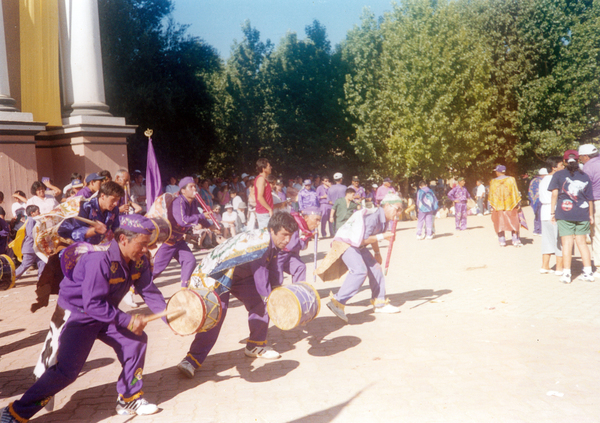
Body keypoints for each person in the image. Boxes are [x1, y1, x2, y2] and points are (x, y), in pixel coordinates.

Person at [0, 215, 167, 422]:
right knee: (66, 372)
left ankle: (129, 397)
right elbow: (93, 304)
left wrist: (171, 316)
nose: (146, 250)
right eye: (142, 245)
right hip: (78, 314)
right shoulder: (99, 259)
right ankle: (15, 412)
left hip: (105, 311)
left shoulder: (138, 260)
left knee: (136, 342)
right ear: (123, 239)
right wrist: (128, 320)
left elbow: (148, 290)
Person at [176, 212, 299, 378]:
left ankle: (255, 345)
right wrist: (271, 298)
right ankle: (191, 360)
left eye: (290, 236)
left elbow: (273, 268)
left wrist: (277, 292)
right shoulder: (260, 242)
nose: (287, 240)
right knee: (215, 316)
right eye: (284, 235)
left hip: (239, 275)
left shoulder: (272, 242)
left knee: (260, 304)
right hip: (216, 274)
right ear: (272, 230)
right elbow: (260, 273)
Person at [318, 193, 403, 323]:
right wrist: (382, 237)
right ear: (386, 206)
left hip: (357, 245)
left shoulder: (384, 218)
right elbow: (363, 239)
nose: (399, 213)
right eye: (397, 209)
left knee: (376, 268)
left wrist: (377, 253)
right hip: (346, 244)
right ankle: (337, 301)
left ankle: (379, 303)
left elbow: (372, 234)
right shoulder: (373, 216)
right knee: (359, 271)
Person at [152, 177, 215, 288]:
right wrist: (201, 215)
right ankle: (132, 289)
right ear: (183, 191)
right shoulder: (178, 201)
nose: (194, 188)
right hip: (168, 241)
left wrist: (212, 226)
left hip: (179, 240)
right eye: (191, 186)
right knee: (156, 269)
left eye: (195, 186)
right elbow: (182, 221)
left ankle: (184, 288)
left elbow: (200, 218)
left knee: (190, 261)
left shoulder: (194, 202)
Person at [549, 150, 594, 283]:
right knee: (582, 244)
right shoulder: (585, 176)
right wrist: (590, 215)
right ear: (578, 160)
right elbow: (589, 198)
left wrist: (552, 212)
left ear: (564, 161)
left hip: (564, 212)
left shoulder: (558, 175)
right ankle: (588, 273)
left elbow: (555, 195)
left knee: (566, 243)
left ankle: (567, 274)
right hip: (583, 213)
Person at [276, 207, 321, 284]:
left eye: (319, 220)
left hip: (288, 255)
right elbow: (292, 245)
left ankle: (297, 291)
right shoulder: (295, 223)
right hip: (278, 255)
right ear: (306, 218)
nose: (318, 223)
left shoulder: (304, 227)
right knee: (277, 278)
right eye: (316, 220)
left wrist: (309, 235)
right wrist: (307, 236)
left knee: (300, 267)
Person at [539, 156, 564, 275]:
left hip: (544, 211)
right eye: (561, 165)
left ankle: (545, 266)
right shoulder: (556, 178)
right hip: (553, 209)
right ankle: (559, 268)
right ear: (554, 167)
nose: (563, 167)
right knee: (559, 239)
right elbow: (555, 195)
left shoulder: (543, 179)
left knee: (547, 239)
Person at [488, 165, 523, 247]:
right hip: (510, 205)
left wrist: (491, 206)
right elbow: (515, 192)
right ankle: (515, 240)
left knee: (498, 222)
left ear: (497, 172)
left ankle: (502, 241)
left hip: (498, 206)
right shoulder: (511, 179)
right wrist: (518, 204)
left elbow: (491, 195)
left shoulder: (493, 182)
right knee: (514, 222)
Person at [579, 143, 600, 278]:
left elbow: (583, 190)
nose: (580, 159)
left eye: (580, 157)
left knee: (597, 235)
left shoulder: (587, 168)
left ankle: (599, 267)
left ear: (586, 156)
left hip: (596, 203)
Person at [14, 205, 46, 280]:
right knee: (25, 265)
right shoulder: (31, 220)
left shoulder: (33, 220)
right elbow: (30, 233)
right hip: (30, 247)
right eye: (38, 211)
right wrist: (40, 235)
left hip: (35, 247)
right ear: (32, 213)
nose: (40, 212)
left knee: (42, 262)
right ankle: (11, 277)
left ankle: (41, 278)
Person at [255, 158, 274, 229]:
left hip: (265, 212)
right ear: (263, 168)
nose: (271, 167)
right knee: (266, 236)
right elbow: (259, 197)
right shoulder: (261, 179)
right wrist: (269, 209)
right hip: (264, 212)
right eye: (269, 166)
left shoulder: (263, 179)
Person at [528, 169, 546, 235]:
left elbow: (530, 191)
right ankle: (541, 231)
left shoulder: (533, 180)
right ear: (544, 175)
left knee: (536, 215)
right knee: (541, 215)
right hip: (541, 200)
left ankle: (536, 230)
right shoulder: (543, 181)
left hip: (534, 200)